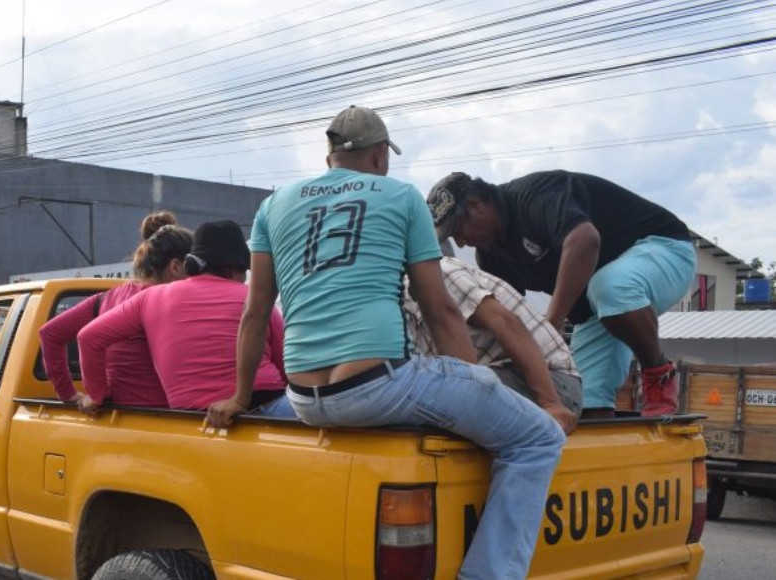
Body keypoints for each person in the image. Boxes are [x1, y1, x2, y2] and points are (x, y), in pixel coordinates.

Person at [207, 106, 565, 579]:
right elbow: (438, 308)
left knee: (319, 401)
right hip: (378, 386)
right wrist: (473, 382)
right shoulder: (401, 197)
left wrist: (239, 395)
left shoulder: (274, 205)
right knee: (538, 438)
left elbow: (255, 314)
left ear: (330, 154)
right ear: (379, 156)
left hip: (307, 398)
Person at [428, 170, 696, 418]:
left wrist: (551, 325)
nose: (461, 241)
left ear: (477, 205)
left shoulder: (533, 196)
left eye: (458, 229)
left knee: (611, 287)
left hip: (663, 249)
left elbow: (585, 240)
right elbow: (511, 316)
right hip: (598, 309)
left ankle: (657, 373)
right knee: (580, 401)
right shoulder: (490, 256)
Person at [79, 220, 293, 418]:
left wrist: (97, 395)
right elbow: (286, 364)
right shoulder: (254, 300)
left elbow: (88, 337)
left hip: (192, 416)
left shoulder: (149, 298)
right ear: (237, 268)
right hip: (269, 407)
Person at [402, 247, 582, 434]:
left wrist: (551, 403)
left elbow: (507, 323)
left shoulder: (440, 273)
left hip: (552, 385)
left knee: (424, 397)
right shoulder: (403, 298)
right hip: (504, 377)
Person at [39, 211, 192, 412]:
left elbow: (50, 333)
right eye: (193, 267)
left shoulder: (104, 299)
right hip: (159, 418)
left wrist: (71, 393)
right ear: (175, 266)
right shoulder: (168, 300)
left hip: (113, 416)